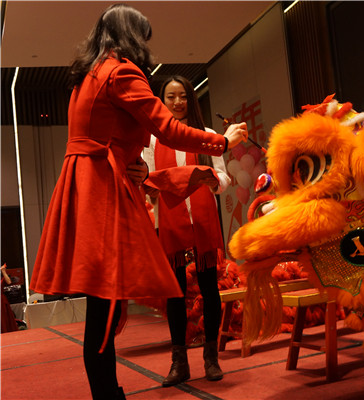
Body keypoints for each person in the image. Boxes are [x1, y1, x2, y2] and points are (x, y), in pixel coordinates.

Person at [28, 4, 247, 400]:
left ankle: (109, 390)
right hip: (103, 187)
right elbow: (167, 129)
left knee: (103, 302)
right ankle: (107, 393)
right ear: (132, 36)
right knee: (106, 303)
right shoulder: (121, 71)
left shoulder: (89, 74)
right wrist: (223, 141)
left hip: (86, 182)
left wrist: (132, 163)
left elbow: (107, 133)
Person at [142, 75, 230, 385]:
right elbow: (148, 179)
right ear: (162, 101)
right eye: (171, 97)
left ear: (190, 99)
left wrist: (213, 181)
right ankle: (179, 362)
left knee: (210, 289)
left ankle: (211, 358)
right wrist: (153, 185)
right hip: (169, 220)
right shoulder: (153, 139)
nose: (177, 102)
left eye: (182, 96)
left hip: (203, 219)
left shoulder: (207, 135)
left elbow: (224, 177)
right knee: (175, 294)